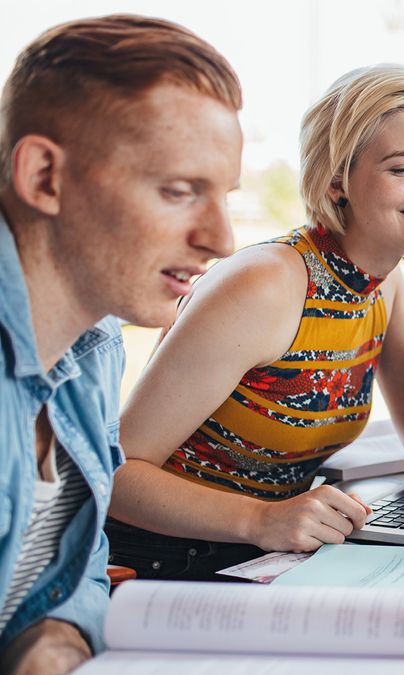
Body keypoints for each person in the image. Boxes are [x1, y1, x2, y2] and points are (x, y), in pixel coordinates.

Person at [108, 64, 404, 577]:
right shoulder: (265, 284)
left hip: (263, 554)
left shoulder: (383, 278)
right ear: (338, 183)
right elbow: (116, 474)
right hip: (165, 560)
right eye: (403, 168)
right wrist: (263, 519)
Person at [0, 15, 242, 672]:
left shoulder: (95, 343)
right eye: (178, 190)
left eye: (224, 195)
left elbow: (70, 575)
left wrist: (55, 639)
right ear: (45, 175)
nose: (222, 239)